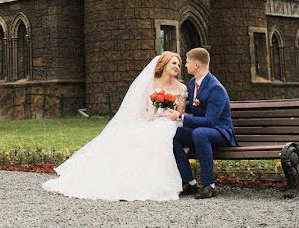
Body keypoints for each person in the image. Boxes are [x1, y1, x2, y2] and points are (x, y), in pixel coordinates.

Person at [42, 51, 187, 201]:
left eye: (179, 64)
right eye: (174, 63)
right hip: (151, 121)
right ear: (163, 65)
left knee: (158, 134)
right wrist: (152, 116)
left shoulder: (181, 88)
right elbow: (143, 108)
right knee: (132, 135)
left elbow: (180, 113)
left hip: (169, 123)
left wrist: (168, 116)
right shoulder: (150, 83)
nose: (177, 67)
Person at [171, 47, 237, 199]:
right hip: (202, 130)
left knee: (199, 133)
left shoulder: (215, 88)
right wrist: (171, 104)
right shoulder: (194, 82)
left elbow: (211, 121)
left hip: (221, 132)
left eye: (187, 62)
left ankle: (209, 185)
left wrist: (182, 117)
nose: (185, 65)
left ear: (196, 65)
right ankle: (189, 181)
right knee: (176, 135)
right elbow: (192, 106)